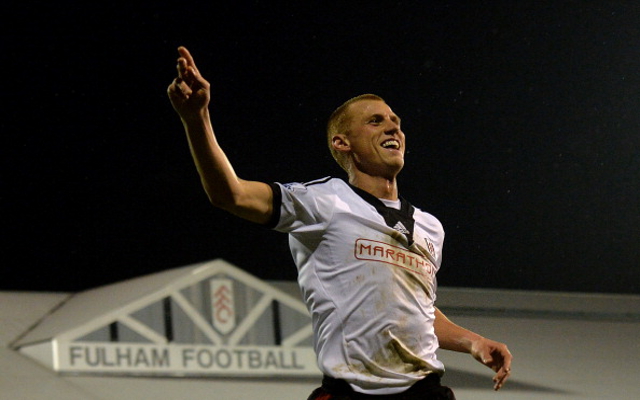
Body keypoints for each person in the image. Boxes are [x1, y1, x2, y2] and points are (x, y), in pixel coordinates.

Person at [167, 46, 512, 399]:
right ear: (342, 142)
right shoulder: (324, 201)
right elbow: (232, 195)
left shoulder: (429, 227)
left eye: (395, 121)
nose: (393, 126)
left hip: (424, 392)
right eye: (375, 121)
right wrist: (197, 119)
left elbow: (415, 310)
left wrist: (474, 342)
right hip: (349, 393)